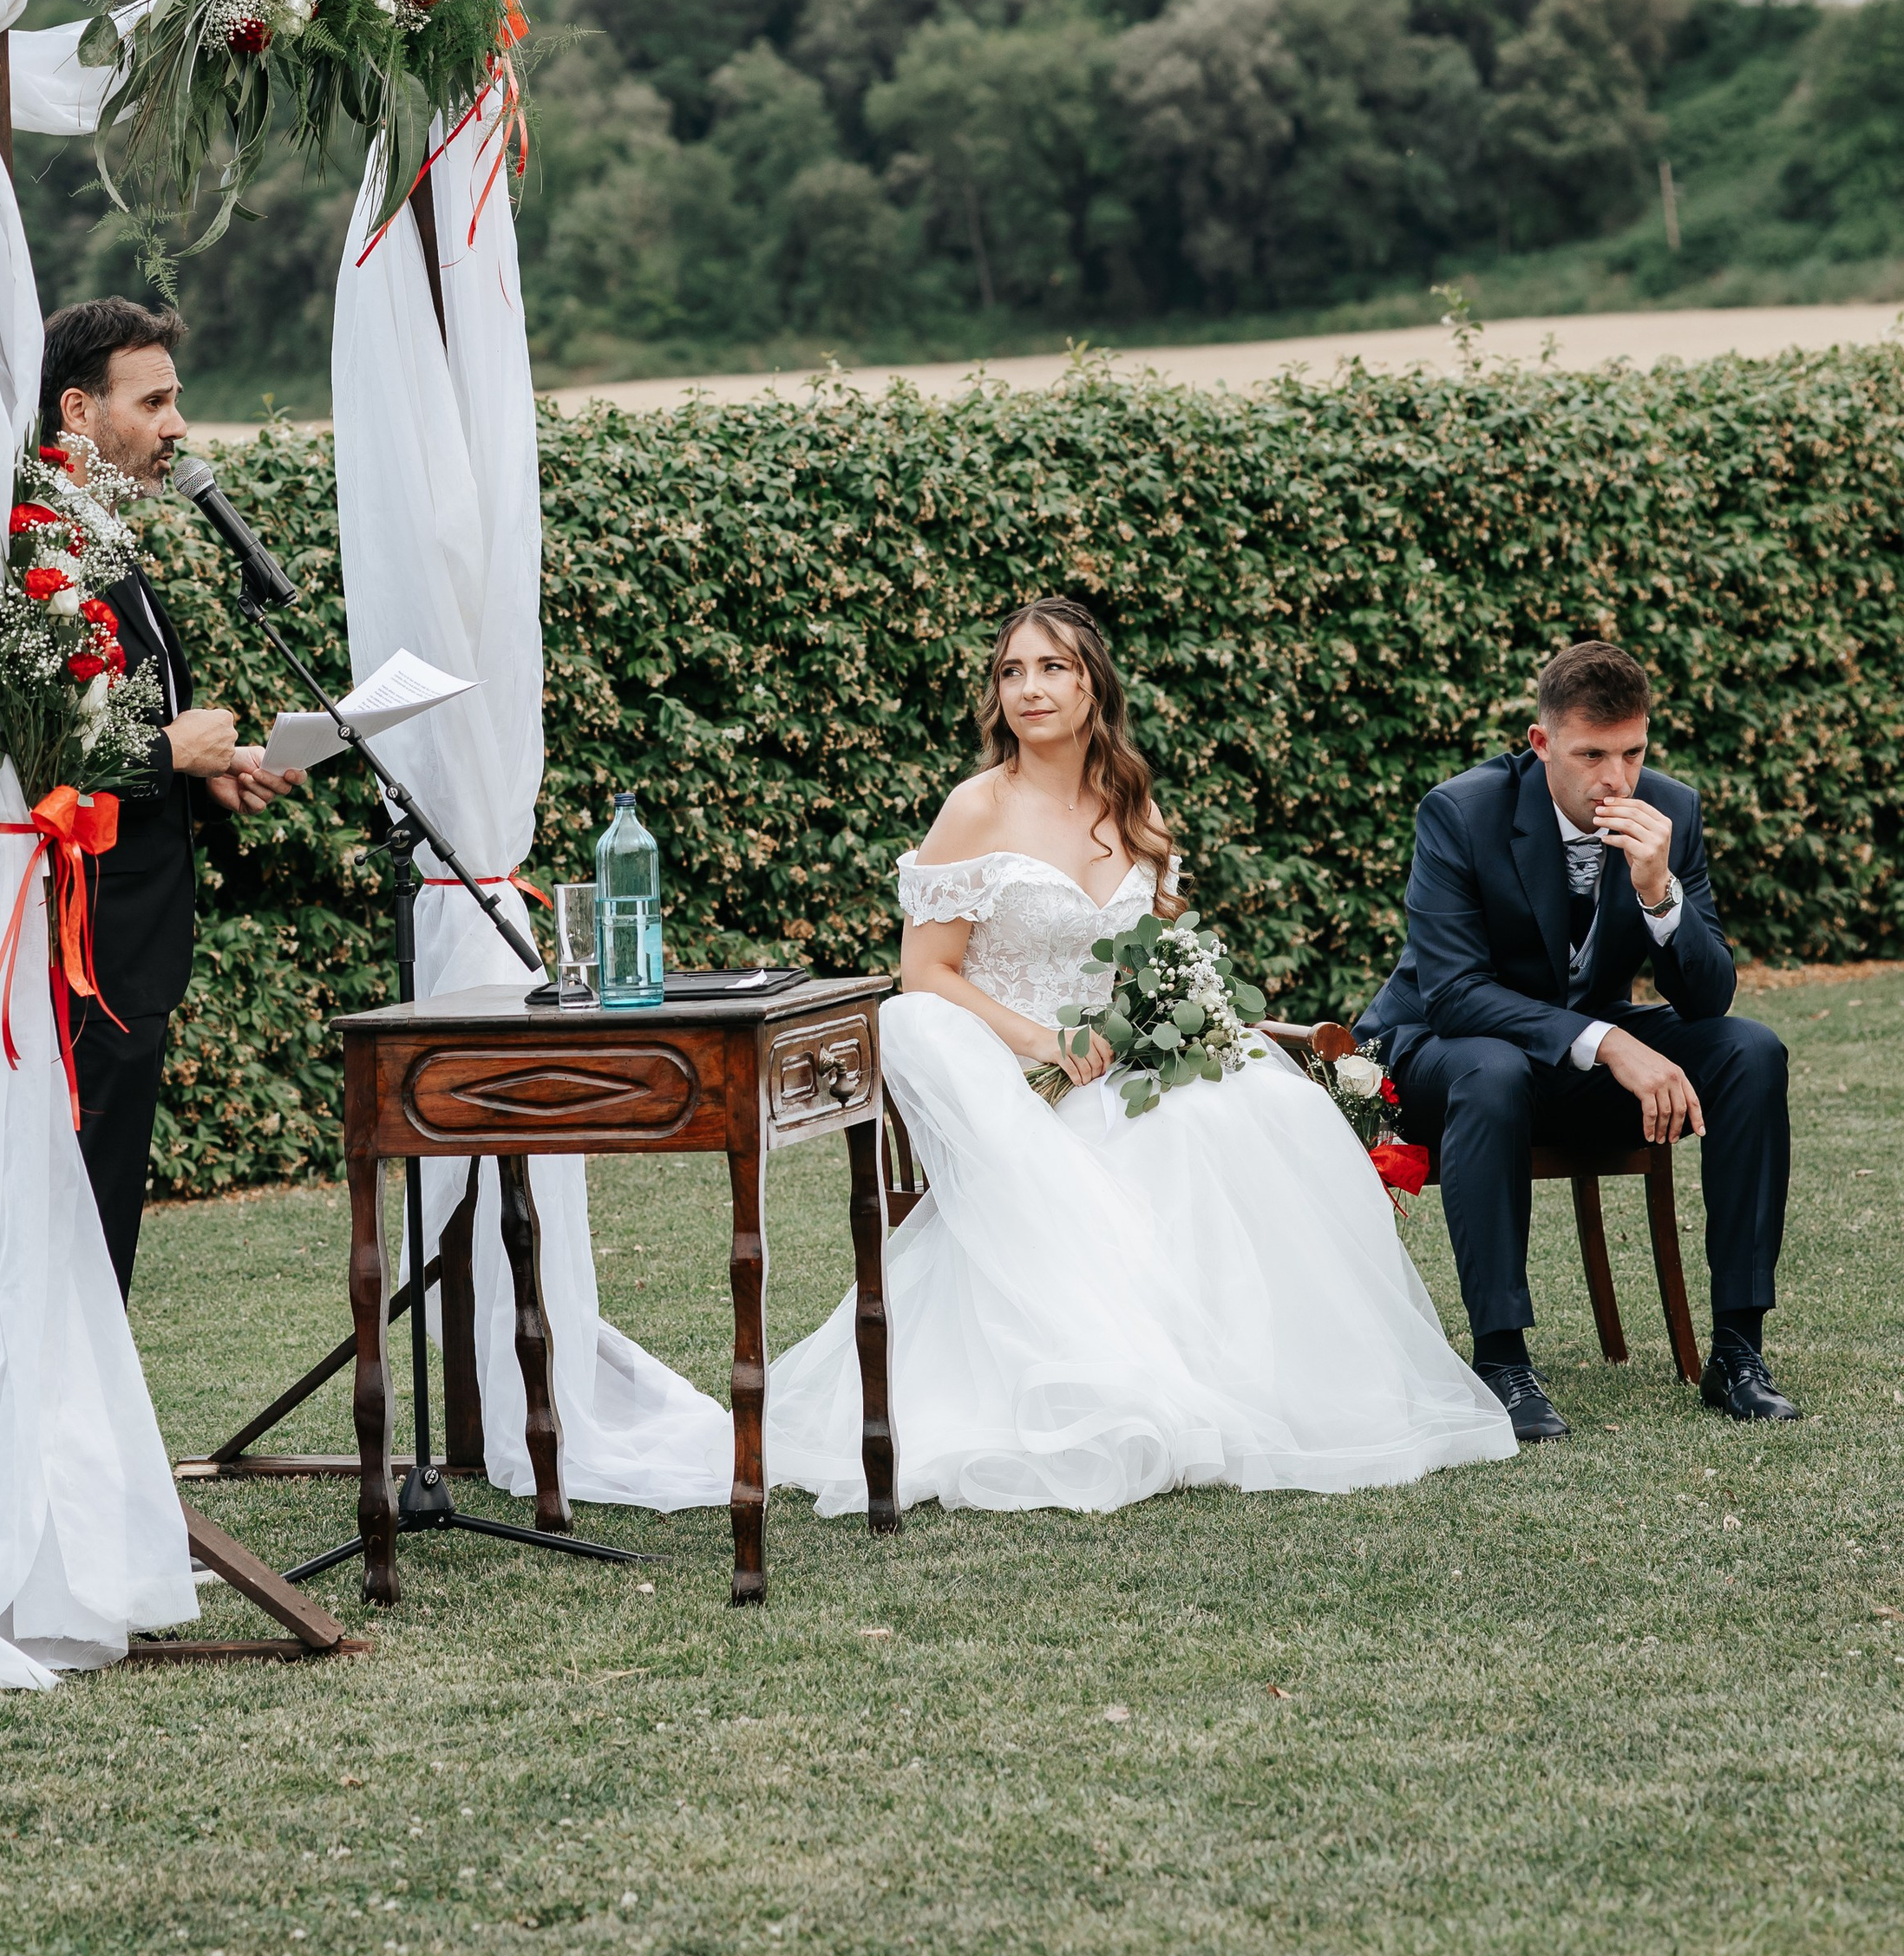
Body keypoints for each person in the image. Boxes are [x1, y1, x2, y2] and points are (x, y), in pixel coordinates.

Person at [766, 599, 1517, 1512]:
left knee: (1256, 1107)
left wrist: (1180, 1020)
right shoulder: (975, 807)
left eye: (1052, 668)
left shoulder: (1133, 805)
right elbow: (924, 975)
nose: (1029, 689)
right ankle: (1125, 1385)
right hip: (1020, 1066)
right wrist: (1047, 1040)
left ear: (1093, 685)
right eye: (1011, 672)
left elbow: (1152, 958)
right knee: (1171, 1137)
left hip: (1122, 1057)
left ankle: (1263, 1383)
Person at [1358, 639, 1793, 1441]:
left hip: (1569, 1060)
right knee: (1491, 1069)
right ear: (1541, 743)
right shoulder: (1460, 810)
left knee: (1750, 1051)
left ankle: (1737, 1351)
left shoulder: (1671, 812)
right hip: (1442, 1053)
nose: (1616, 780)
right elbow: (1454, 993)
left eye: (1632, 752)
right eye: (1592, 754)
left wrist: (1660, 893)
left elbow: (1708, 997)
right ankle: (1502, 1362)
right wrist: (1608, 1042)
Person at [38, 297, 307, 1301]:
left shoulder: (100, 530)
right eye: (151, 403)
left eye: (175, 401)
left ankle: (87, 1411)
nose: (176, 426)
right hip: (86, 946)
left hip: (135, 936)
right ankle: (66, 1430)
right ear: (78, 409)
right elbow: (36, 756)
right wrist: (167, 747)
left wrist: (211, 770)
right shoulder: (44, 547)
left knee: (106, 1210)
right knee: (83, 1206)